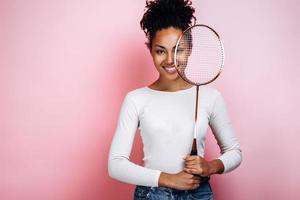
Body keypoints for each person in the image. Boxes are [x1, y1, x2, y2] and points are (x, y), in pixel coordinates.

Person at [108, 0, 242, 199]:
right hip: (153, 194)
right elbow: (115, 164)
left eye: (178, 50)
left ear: (189, 49)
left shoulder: (210, 97)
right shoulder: (136, 100)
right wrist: (168, 179)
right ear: (151, 51)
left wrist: (210, 166)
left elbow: (234, 151)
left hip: (199, 193)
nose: (170, 60)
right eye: (161, 51)